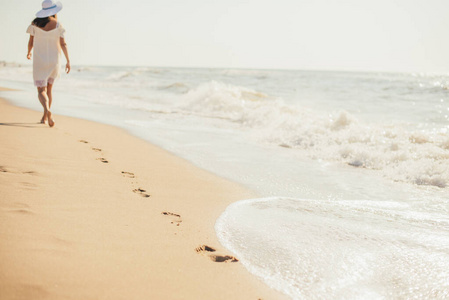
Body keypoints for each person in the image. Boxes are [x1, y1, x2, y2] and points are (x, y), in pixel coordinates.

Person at [26, 0, 70, 127]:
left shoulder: (35, 23)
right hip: (54, 60)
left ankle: (47, 112)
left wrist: (29, 52)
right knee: (49, 89)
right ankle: (45, 116)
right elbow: (63, 44)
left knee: (41, 91)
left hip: (40, 60)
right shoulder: (58, 25)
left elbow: (31, 42)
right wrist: (68, 60)